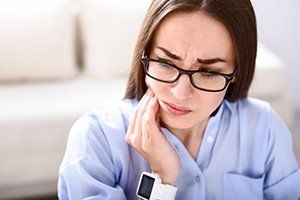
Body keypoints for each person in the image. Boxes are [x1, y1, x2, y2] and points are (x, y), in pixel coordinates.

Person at [57, 0, 300, 199]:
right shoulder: (96, 139)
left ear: (236, 73)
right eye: (165, 63)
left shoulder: (264, 127)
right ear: (145, 56)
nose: (180, 93)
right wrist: (161, 178)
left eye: (208, 72)